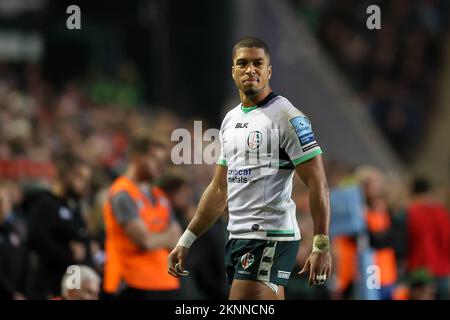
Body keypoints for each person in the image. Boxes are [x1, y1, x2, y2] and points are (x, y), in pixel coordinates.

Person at [168, 37, 332, 300]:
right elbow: (220, 189)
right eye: (242, 63)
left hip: (269, 235)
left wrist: (321, 244)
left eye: (258, 63)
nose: (250, 69)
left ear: (269, 71)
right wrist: (186, 239)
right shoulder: (231, 120)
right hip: (238, 237)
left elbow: (318, 182)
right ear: (233, 71)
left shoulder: (288, 117)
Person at [103, 136, 182, 300]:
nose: (160, 165)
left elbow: (178, 239)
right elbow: (145, 241)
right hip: (132, 284)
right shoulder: (122, 193)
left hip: (165, 282)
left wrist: (157, 238)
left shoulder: (159, 196)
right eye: (154, 158)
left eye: (162, 160)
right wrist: (165, 237)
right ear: (136, 158)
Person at [26, 153, 93, 299]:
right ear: (65, 175)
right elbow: (35, 239)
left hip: (71, 285)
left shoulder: (73, 208)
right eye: (80, 177)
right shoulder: (44, 203)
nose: (85, 184)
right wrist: (67, 251)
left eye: (87, 179)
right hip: (48, 286)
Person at [406, 177, 450, 299]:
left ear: (412, 192)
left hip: (418, 272)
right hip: (442, 270)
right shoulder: (443, 214)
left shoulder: (409, 213)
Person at [0, 182, 28, 300]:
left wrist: (24, 293)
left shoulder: (14, 231)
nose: (2, 206)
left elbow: (25, 263)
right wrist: (12, 293)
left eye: (4, 201)